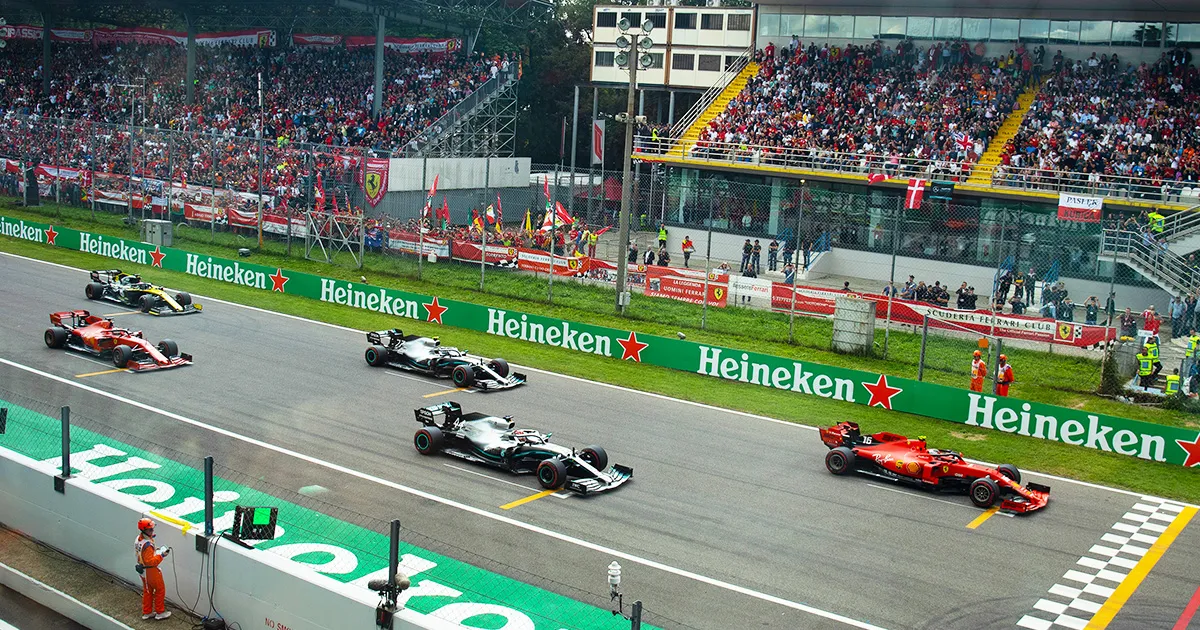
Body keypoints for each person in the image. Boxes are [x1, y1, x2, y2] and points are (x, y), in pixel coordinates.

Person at [134, 518, 171, 620]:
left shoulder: (139, 539)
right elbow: (151, 561)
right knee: (160, 590)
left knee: (147, 591)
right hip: (151, 570)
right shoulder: (148, 545)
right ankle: (160, 612)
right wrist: (162, 555)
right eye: (150, 530)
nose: (152, 531)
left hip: (142, 570)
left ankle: (147, 612)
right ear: (144, 530)